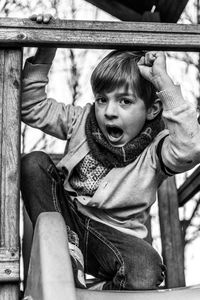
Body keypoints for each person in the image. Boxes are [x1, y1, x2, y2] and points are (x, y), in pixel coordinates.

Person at [21, 14, 200, 290]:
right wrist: (46, 48)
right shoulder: (81, 120)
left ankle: (101, 289)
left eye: (125, 101)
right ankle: (66, 255)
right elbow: (30, 107)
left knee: (147, 270)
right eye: (102, 99)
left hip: (113, 241)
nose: (109, 111)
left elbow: (192, 148)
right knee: (33, 163)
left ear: (152, 110)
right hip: (67, 221)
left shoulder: (156, 150)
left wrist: (163, 82)